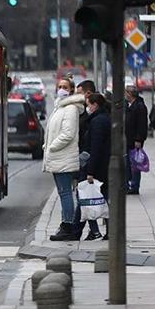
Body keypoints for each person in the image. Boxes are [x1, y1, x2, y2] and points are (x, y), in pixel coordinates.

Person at [43, 78, 84, 241]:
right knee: (63, 192)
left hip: (63, 157)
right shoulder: (59, 106)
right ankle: (65, 224)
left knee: (66, 192)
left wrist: (52, 147)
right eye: (59, 86)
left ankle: (68, 225)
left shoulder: (71, 108)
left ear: (71, 90)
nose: (61, 89)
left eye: (64, 87)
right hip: (57, 157)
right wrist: (46, 146)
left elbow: (68, 134)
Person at [75, 93, 111, 241]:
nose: (87, 108)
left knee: (91, 198)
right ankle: (95, 230)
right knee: (95, 198)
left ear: (95, 105)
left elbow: (95, 148)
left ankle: (90, 230)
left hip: (97, 167)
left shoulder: (98, 122)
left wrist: (90, 171)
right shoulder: (102, 119)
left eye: (88, 104)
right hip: (101, 165)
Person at [124, 86, 148, 194]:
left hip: (134, 140)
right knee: (130, 163)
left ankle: (134, 186)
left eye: (126, 93)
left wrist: (139, 139)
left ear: (130, 94)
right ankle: (130, 183)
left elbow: (142, 125)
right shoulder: (129, 105)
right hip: (129, 139)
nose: (125, 95)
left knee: (135, 164)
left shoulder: (139, 106)